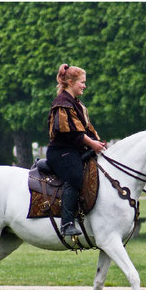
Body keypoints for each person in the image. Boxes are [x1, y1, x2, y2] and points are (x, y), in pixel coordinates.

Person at [46, 64, 106, 236]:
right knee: (74, 177)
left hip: (74, 150)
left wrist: (98, 143)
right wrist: (93, 144)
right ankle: (66, 224)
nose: (84, 86)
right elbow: (71, 131)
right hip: (61, 152)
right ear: (70, 82)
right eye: (82, 82)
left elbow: (86, 129)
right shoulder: (62, 103)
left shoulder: (77, 104)